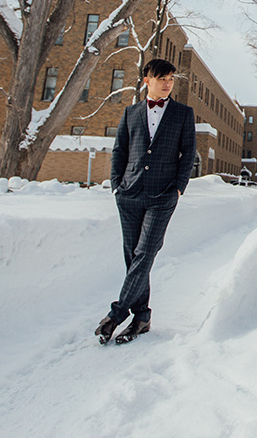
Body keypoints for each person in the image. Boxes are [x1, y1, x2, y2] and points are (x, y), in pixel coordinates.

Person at [95, 59, 196, 346]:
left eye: (171, 78)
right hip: (128, 195)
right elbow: (120, 151)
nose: (167, 83)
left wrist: (178, 188)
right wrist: (117, 185)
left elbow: (188, 154)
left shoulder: (182, 114)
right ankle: (141, 316)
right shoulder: (131, 113)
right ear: (146, 81)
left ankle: (115, 315)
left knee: (145, 253)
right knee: (133, 258)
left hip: (163, 196)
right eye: (161, 78)